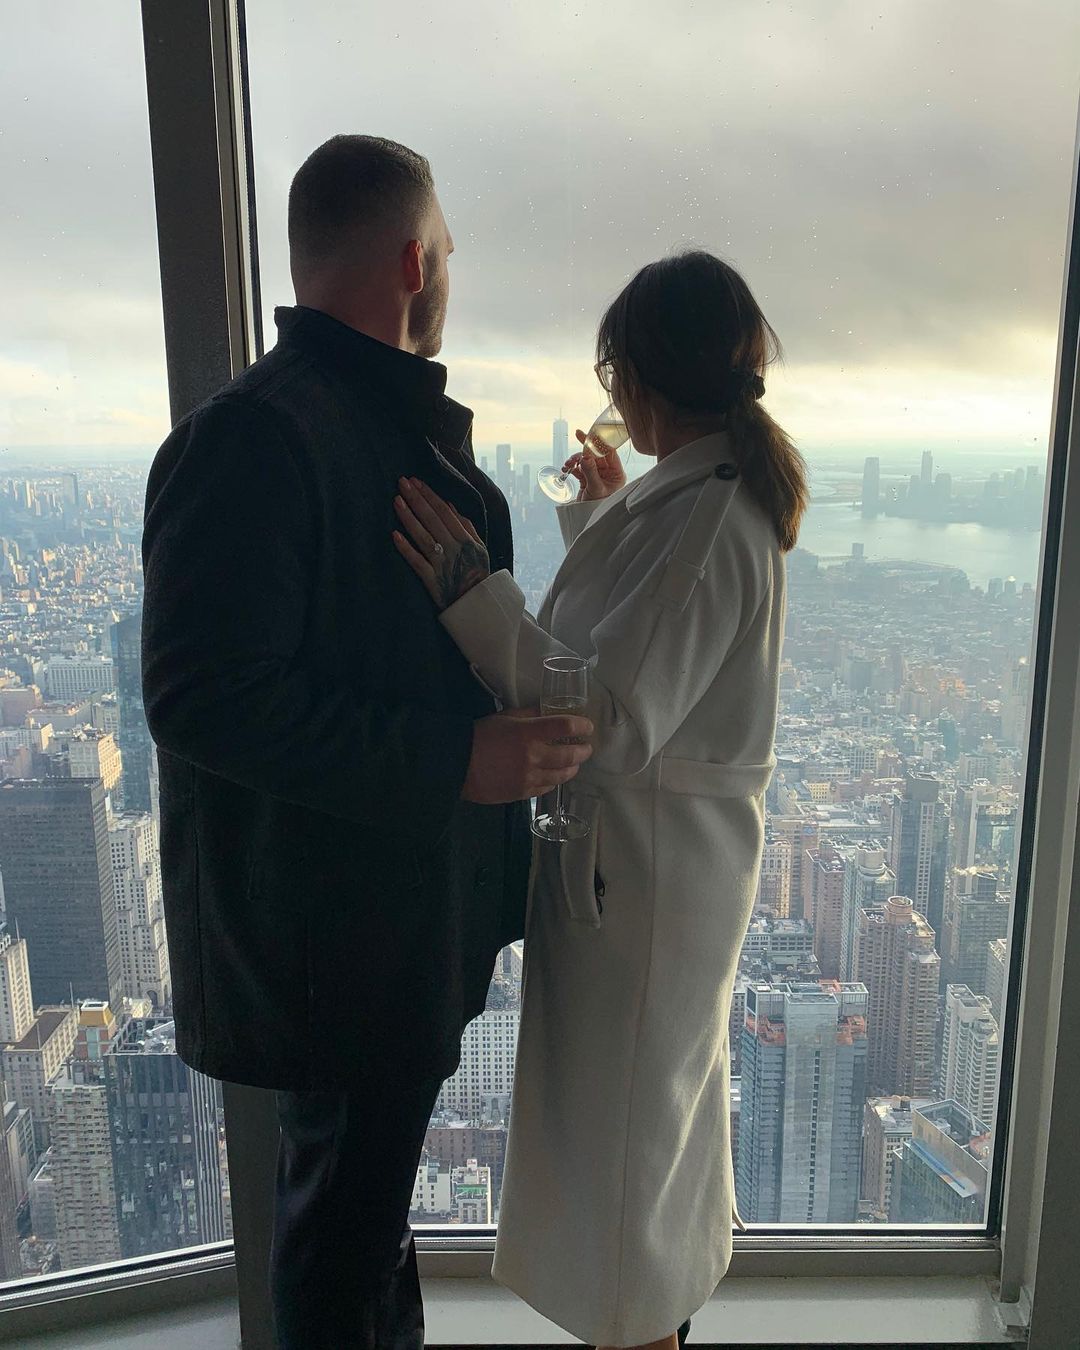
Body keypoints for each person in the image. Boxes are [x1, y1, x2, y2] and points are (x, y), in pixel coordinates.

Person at [140, 134, 593, 1350]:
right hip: (341, 946)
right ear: (412, 258)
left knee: (361, 1228)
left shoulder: (365, 430)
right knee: (341, 1245)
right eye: (444, 250)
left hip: (383, 932)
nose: (449, 271)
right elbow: (202, 696)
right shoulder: (259, 438)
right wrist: (464, 760)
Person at [393, 249, 808, 1350]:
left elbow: (611, 723)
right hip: (646, 881)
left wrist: (474, 603)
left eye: (613, 365)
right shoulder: (703, 496)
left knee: (628, 1169)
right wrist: (598, 530)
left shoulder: (712, 515)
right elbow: (629, 655)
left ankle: (641, 1335)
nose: (609, 390)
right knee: (637, 1153)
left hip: (646, 890)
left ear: (641, 375)